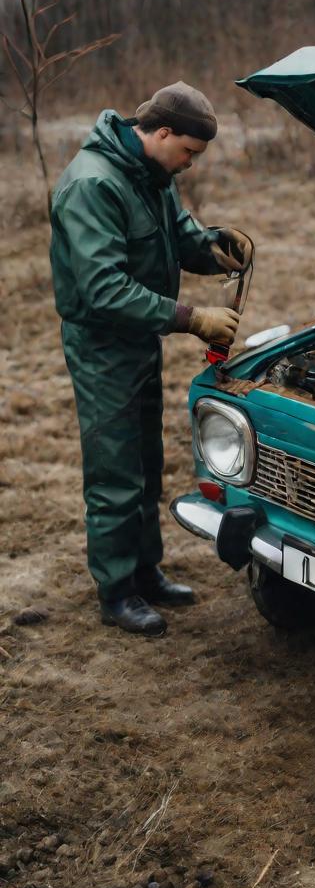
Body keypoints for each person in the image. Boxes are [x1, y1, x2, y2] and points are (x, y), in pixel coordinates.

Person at [49, 82, 253, 636]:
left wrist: (217, 247)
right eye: (188, 151)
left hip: (139, 341)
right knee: (115, 469)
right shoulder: (94, 184)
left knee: (144, 462)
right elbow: (102, 288)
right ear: (161, 133)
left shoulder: (151, 176)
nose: (189, 164)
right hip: (102, 347)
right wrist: (193, 318)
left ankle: (145, 570)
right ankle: (116, 591)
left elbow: (179, 237)